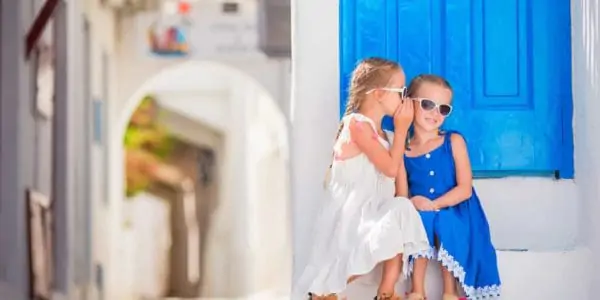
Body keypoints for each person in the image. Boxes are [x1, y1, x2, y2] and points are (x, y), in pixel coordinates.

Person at [292, 57, 430, 300]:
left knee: (400, 211)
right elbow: (388, 168)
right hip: (353, 214)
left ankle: (386, 292)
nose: (404, 99)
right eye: (401, 91)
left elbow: (398, 182)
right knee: (347, 256)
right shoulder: (356, 125)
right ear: (378, 94)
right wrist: (401, 130)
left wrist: (396, 135)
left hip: (374, 211)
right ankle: (323, 292)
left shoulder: (385, 135)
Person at [400, 74, 501, 300]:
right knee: (420, 220)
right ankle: (417, 291)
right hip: (421, 210)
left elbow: (465, 189)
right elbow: (402, 191)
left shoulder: (453, 141)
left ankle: (450, 292)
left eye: (443, 109)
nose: (435, 114)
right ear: (409, 102)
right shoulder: (403, 150)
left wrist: (434, 204)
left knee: (446, 222)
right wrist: (413, 201)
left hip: (456, 209)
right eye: (428, 104)